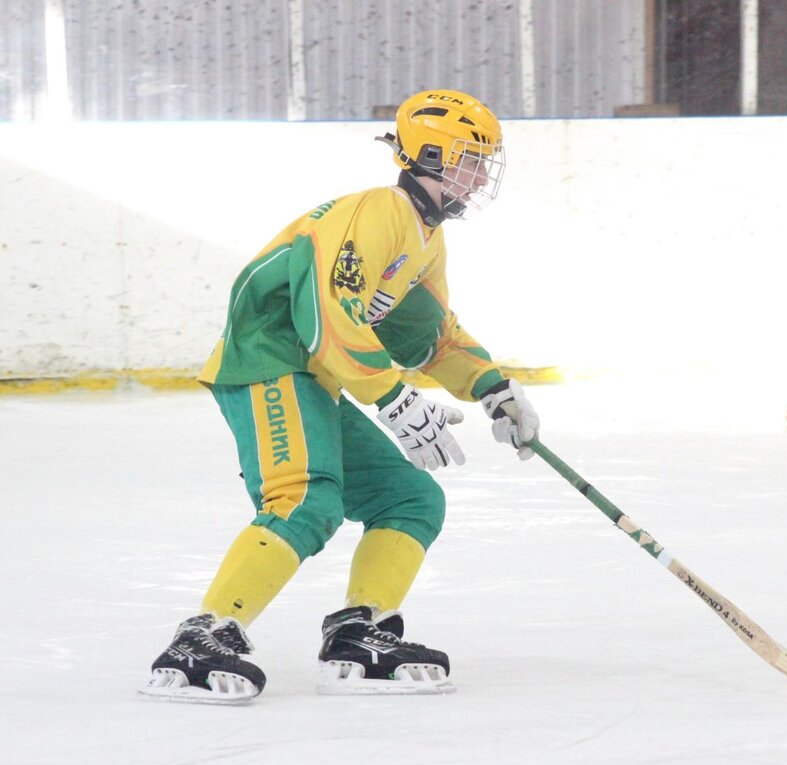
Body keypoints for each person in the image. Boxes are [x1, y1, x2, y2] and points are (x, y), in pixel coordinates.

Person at [140, 89, 540, 704]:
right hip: (268, 363)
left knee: (409, 498)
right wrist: (394, 401)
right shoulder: (378, 211)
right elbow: (328, 317)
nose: (481, 173)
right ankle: (205, 635)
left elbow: (429, 337)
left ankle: (360, 631)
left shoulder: (425, 238)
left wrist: (493, 387)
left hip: (316, 377)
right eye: (470, 157)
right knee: (304, 497)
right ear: (430, 155)